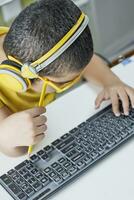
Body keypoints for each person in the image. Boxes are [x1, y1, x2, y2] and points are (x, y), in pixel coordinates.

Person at [0, 0, 134, 157]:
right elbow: (17, 150)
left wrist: (112, 82)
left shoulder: (29, 44)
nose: (75, 80)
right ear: (33, 79)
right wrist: (5, 136)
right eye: (65, 83)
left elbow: (81, 62)